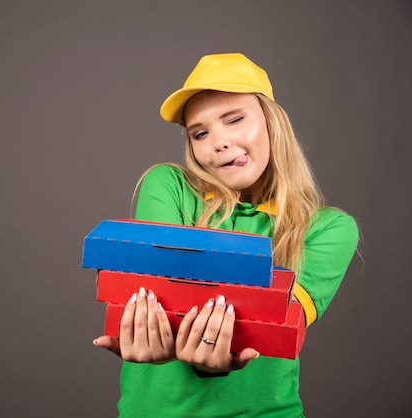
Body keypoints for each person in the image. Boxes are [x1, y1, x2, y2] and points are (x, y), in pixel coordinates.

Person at [92, 53, 359, 417]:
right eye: (200, 133)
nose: (218, 142)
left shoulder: (329, 229)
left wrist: (194, 321)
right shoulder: (168, 185)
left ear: (272, 122)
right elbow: (154, 292)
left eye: (234, 120)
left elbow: (267, 328)